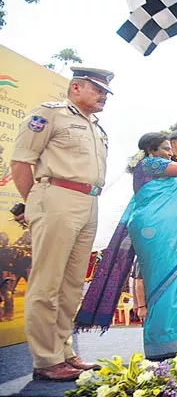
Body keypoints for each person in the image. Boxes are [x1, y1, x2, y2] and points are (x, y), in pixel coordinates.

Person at [75, 132, 177, 361]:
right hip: (159, 233)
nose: (170, 153)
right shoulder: (149, 164)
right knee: (166, 283)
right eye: (166, 148)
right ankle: (165, 341)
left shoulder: (160, 173)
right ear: (151, 149)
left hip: (176, 234)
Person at [10, 66, 114, 381]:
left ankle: (64, 352)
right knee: (47, 282)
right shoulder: (49, 114)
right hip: (56, 196)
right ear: (75, 88)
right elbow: (21, 160)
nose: (103, 97)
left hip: (89, 201)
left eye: (106, 92)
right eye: (97, 90)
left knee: (71, 285)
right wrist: (37, 202)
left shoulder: (97, 128)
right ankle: (45, 359)